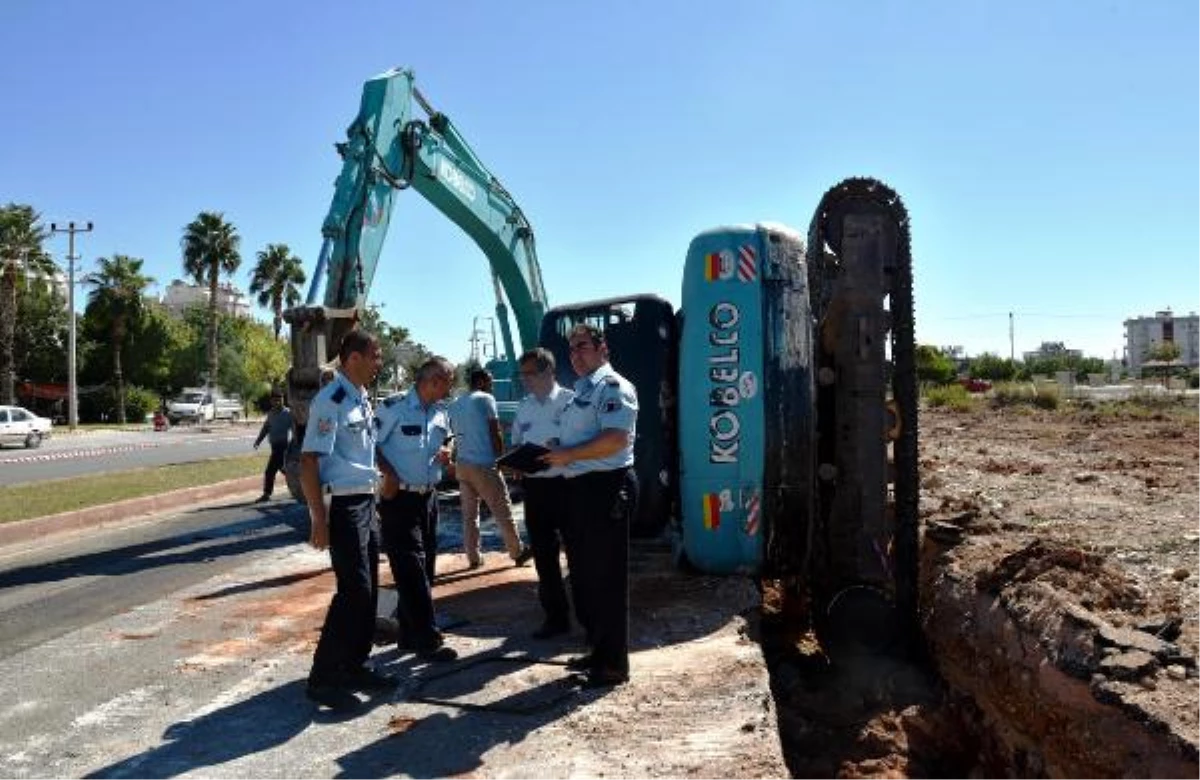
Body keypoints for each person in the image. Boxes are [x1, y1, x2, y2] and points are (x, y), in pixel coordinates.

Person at [298, 329, 396, 711]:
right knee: (352, 590)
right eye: (375, 355)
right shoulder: (332, 400)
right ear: (352, 358)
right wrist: (318, 520)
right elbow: (309, 462)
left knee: (368, 591)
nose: (379, 362)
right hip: (344, 507)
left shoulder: (360, 398)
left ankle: (354, 665)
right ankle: (322, 677)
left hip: (365, 503)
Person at [542, 324, 638, 689]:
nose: (575, 354)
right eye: (571, 349)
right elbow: (581, 438)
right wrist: (557, 446)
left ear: (603, 349)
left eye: (582, 346)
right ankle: (598, 650)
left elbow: (615, 439)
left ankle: (614, 663)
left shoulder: (613, 386)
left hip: (606, 488)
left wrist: (569, 454)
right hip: (579, 488)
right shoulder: (581, 390)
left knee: (607, 579)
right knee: (584, 577)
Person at [374, 356, 459, 663]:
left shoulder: (440, 412)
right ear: (434, 380)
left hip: (428, 498)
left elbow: (445, 442)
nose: (450, 389)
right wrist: (390, 474)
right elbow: (371, 445)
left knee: (426, 569)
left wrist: (446, 453)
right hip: (399, 499)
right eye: (448, 382)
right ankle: (428, 639)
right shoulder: (393, 406)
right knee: (411, 569)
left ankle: (409, 635)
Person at [509, 348, 577, 639]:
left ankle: (590, 618)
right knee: (544, 555)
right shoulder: (524, 407)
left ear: (549, 372)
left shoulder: (572, 402)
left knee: (578, 554)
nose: (525, 380)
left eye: (530, 374)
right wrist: (515, 464)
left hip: (568, 486)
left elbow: (584, 444)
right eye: (522, 374)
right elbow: (516, 442)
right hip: (535, 488)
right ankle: (556, 618)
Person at [449, 368, 533, 568]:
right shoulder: (486, 399)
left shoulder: (456, 403)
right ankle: (517, 552)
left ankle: (474, 558)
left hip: (463, 465)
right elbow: (494, 431)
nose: (492, 386)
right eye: (490, 382)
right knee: (502, 510)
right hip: (484, 464)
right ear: (480, 382)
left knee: (469, 515)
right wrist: (502, 459)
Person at [253, 391, 292, 503]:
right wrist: (258, 441)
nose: (277, 402)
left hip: (283, 446)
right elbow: (266, 428)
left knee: (270, 471)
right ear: (271, 401)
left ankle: (266, 494)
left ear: (283, 400)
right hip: (274, 447)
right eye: (275, 400)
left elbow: (295, 429)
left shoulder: (288, 413)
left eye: (280, 399)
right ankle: (302, 487)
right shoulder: (271, 413)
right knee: (285, 470)